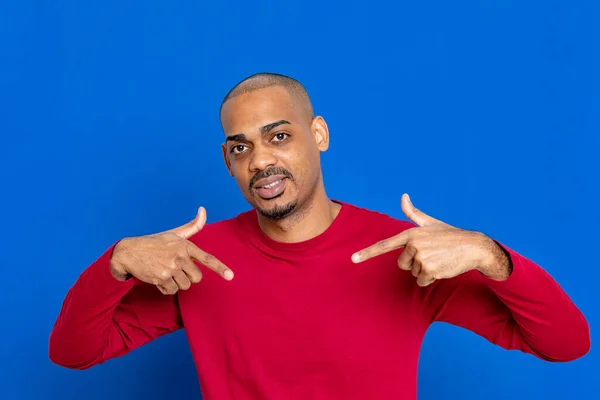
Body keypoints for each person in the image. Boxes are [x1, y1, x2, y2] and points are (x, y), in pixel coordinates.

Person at [49, 72, 590, 399]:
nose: (261, 160)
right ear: (227, 162)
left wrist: (488, 255)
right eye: (241, 147)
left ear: (319, 135)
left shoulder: (403, 255)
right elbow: (73, 353)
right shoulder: (198, 263)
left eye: (278, 136)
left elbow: (567, 344)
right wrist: (116, 261)